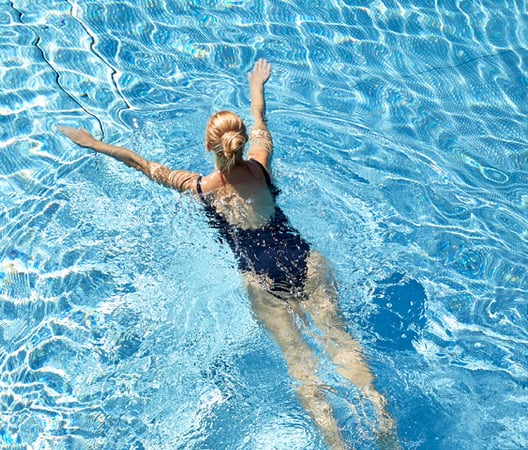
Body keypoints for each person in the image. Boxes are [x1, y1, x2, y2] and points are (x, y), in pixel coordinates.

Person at [59, 59, 397, 449]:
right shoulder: (261, 165)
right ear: (241, 142)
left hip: (263, 282)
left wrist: (93, 143)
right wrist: (256, 85)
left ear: (210, 147)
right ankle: (382, 418)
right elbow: (260, 119)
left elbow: (142, 164)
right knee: (341, 341)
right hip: (304, 261)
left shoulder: (199, 187)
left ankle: (336, 444)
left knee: (301, 364)